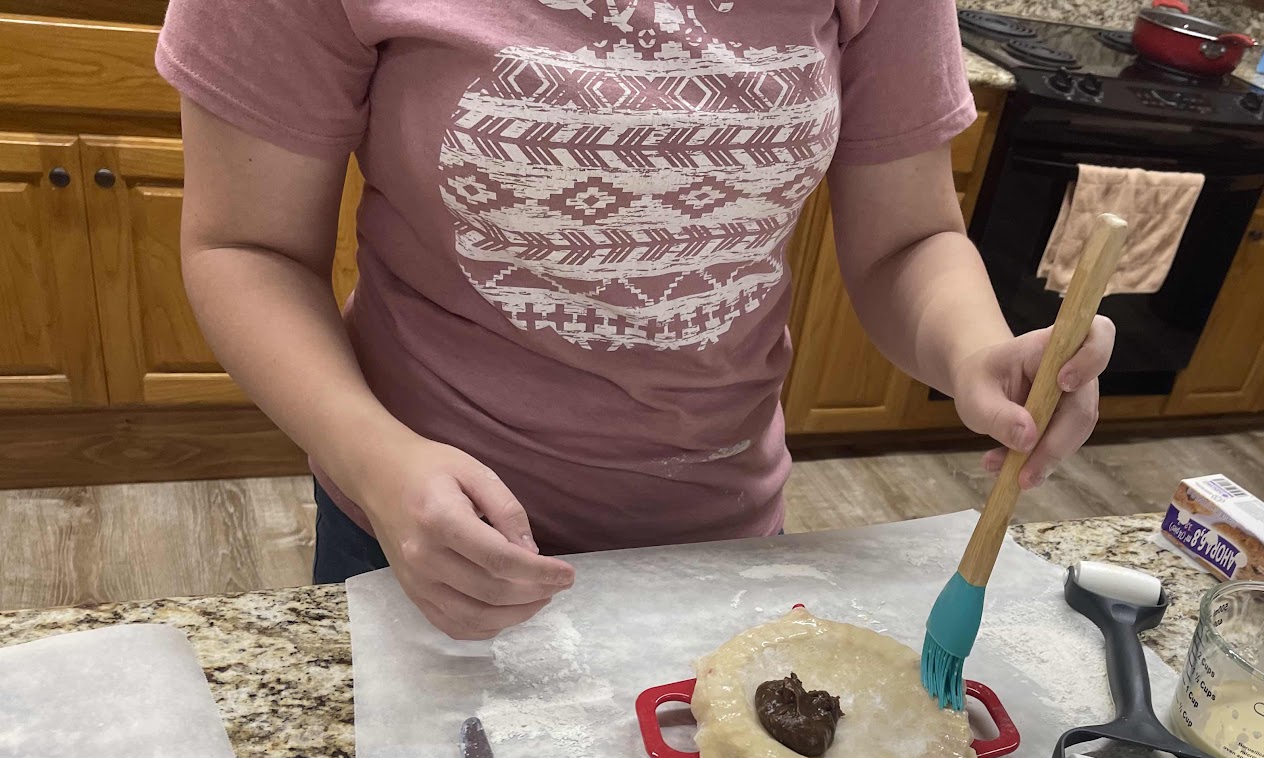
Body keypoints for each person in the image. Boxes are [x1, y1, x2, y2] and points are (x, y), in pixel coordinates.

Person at [158, 0, 1114, 640]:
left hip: (718, 537)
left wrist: (975, 350)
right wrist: (374, 460)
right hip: (424, 536)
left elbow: (907, 240)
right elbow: (248, 248)